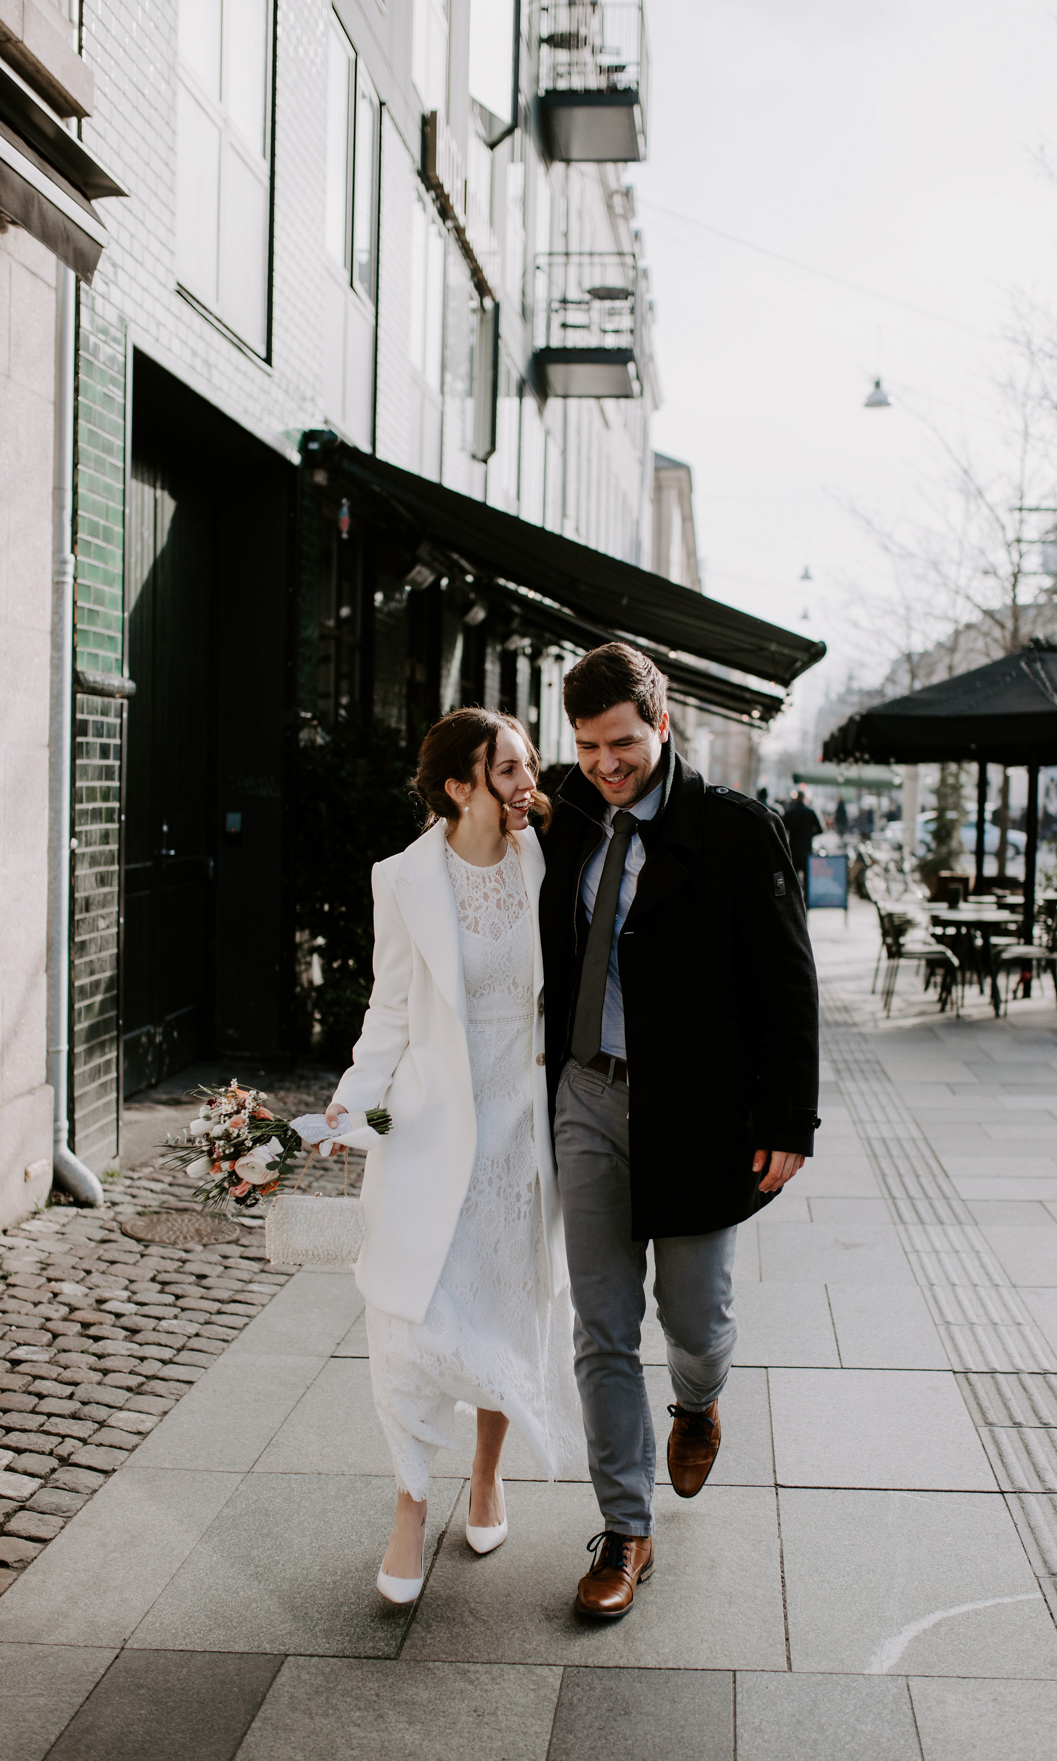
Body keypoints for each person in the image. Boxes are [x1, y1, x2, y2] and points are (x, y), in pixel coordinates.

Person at [538, 643, 821, 1620]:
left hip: (700, 1110)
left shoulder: (737, 831)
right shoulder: (567, 806)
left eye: (622, 743)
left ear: (662, 726)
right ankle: (626, 1529)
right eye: (585, 746)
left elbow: (789, 981)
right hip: (587, 1094)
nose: (605, 765)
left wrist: (789, 1117)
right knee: (601, 1327)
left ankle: (697, 1404)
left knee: (694, 1323)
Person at [320, 709, 580, 1605]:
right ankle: (408, 1504)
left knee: (511, 1306)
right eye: (507, 769)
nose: (527, 783)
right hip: (439, 1128)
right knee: (411, 1321)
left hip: (525, 1124)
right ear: (458, 785)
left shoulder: (547, 858)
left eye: (529, 764)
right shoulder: (404, 880)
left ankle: (487, 1475)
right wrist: (349, 1105)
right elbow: (390, 1010)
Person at [782, 788, 823, 889]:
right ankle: (807, 902)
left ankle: (796, 902)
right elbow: (821, 829)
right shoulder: (811, 812)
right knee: (807, 878)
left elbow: (782, 829)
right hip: (807, 849)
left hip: (794, 850)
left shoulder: (790, 813)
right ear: (805, 798)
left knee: (793, 879)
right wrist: (809, 834)